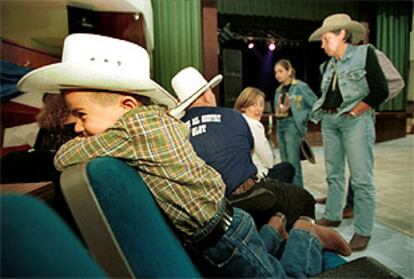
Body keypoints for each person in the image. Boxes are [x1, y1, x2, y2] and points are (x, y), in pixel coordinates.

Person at [17, 33, 352, 278]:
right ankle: (279, 226)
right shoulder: (157, 123)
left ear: (128, 106)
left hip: (223, 238)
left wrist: (69, 145)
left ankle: (304, 235)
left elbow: (64, 158)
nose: (77, 127)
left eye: (81, 115)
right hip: (230, 223)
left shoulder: (133, 130)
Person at [170, 67, 315, 229]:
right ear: (206, 94)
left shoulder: (176, 131)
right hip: (249, 197)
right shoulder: (233, 117)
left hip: (206, 213)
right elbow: (254, 157)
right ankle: (298, 240)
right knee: (304, 198)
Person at [308, 13, 388, 251]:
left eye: (326, 39)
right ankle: (333, 214)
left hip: (355, 121)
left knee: (362, 178)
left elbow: (380, 90)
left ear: (343, 34)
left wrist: (355, 112)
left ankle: (363, 230)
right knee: (333, 173)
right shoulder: (327, 65)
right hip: (331, 121)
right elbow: (327, 95)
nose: (322, 45)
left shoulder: (365, 54)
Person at [233, 86, 295, 183]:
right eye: (253, 105)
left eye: (261, 104)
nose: (259, 109)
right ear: (243, 106)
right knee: (288, 167)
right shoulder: (254, 124)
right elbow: (268, 161)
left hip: (237, 177)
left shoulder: (234, 121)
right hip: (255, 178)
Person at [274, 59, 317, 187]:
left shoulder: (300, 87)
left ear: (289, 71)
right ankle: (289, 194)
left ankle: (299, 194)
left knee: (293, 163)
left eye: (281, 71)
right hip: (280, 124)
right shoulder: (278, 90)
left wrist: (302, 117)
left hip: (292, 125)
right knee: (285, 163)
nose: (277, 75)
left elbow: (315, 104)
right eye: (275, 72)